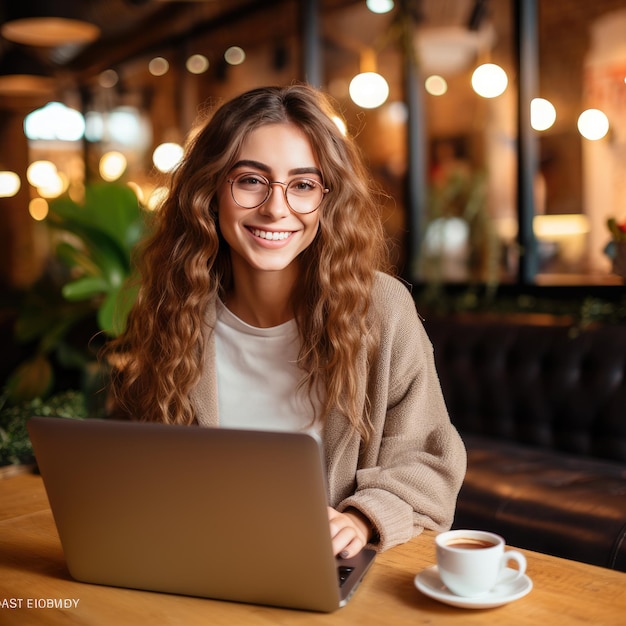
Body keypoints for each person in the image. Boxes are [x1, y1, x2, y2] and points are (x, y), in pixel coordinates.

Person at [104, 84, 466, 560]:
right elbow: (137, 460)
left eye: (302, 185)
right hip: (201, 559)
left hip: (325, 569)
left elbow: (430, 459)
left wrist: (360, 518)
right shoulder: (174, 310)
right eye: (251, 180)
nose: (277, 208)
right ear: (211, 190)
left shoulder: (378, 307)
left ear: (326, 199)